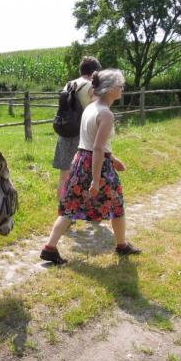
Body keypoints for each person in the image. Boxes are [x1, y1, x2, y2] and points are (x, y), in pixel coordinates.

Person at [40, 69, 141, 264]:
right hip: (97, 165)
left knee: (70, 206)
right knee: (116, 205)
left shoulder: (90, 107)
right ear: (110, 89)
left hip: (80, 161)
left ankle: (49, 248)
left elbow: (91, 142)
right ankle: (122, 245)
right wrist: (95, 180)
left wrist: (113, 159)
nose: (123, 89)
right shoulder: (106, 114)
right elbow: (97, 147)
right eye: (120, 86)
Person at [52, 56, 102, 199]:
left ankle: (62, 207)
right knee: (85, 176)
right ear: (94, 72)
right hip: (82, 136)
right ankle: (82, 207)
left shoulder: (69, 84)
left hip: (65, 132)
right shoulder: (91, 87)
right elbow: (96, 112)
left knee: (64, 176)